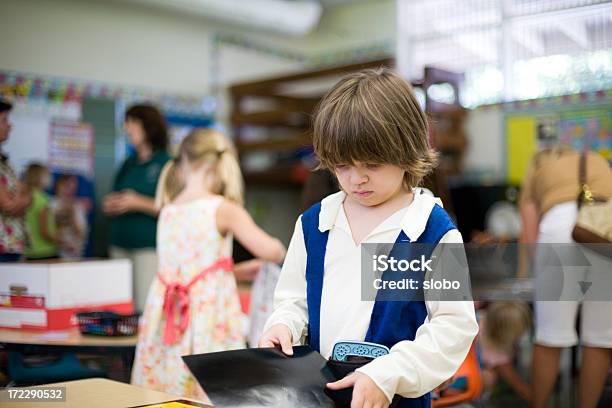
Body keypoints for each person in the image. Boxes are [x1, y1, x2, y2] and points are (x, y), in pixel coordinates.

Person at [259, 68, 478, 408]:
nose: (356, 179)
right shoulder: (315, 224)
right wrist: (282, 325)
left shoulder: (431, 231)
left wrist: (390, 372)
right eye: (342, 166)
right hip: (319, 397)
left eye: (372, 165)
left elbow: (453, 327)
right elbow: (293, 299)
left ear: (407, 149)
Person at [131, 128, 286, 399]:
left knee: (169, 390)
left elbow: (187, 270)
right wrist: (281, 248)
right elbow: (272, 251)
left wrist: (233, 271)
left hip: (168, 314)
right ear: (218, 166)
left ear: (183, 164)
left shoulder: (168, 210)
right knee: (215, 388)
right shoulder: (223, 208)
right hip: (206, 315)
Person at [520, 145, 612, 408]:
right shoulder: (594, 160)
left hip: (560, 228)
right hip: (603, 230)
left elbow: (531, 239)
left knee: (551, 336)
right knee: (600, 338)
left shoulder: (539, 170)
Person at [103, 104, 171, 311]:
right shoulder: (127, 163)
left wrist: (137, 202)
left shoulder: (166, 163)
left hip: (148, 248)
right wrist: (111, 204)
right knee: (119, 307)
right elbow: (115, 194)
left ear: (148, 126)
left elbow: (174, 208)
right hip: (119, 244)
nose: (127, 128)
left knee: (145, 307)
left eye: (132, 122)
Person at [478, 301, 531, 403]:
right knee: (489, 377)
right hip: (458, 381)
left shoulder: (480, 318)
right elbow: (520, 387)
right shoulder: (497, 355)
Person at [0, 98, 31, 262]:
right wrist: (23, 199)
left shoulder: (5, 161)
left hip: (11, 246)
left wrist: (23, 198)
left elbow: (28, 194)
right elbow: (8, 205)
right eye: (4, 120)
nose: (10, 125)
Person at [23, 163, 58, 260]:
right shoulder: (42, 200)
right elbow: (44, 231)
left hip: (29, 251)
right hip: (45, 252)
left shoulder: (24, 197)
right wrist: (61, 241)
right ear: (41, 178)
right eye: (48, 175)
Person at [52, 174, 88, 259]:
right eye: (66, 186)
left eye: (73, 188)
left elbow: (81, 233)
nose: (69, 191)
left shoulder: (77, 206)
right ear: (58, 185)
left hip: (74, 254)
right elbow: (47, 231)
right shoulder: (50, 204)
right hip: (54, 253)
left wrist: (72, 215)